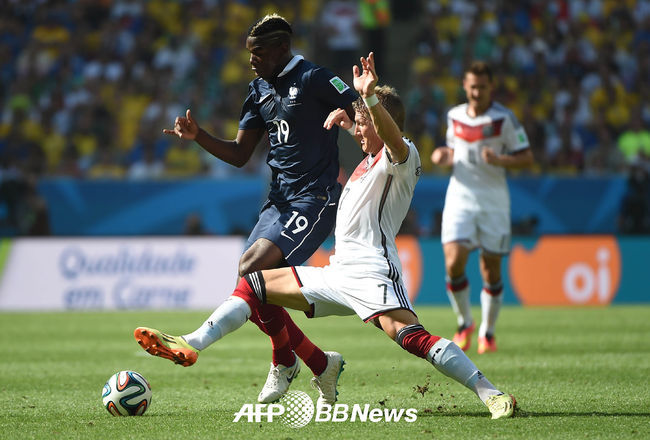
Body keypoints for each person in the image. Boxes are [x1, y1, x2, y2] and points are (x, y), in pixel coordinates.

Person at [135, 52, 516, 419]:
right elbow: (372, 136)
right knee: (254, 283)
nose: (358, 130)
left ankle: (492, 394)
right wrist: (352, 122)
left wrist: (368, 99)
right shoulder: (369, 160)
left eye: (362, 123)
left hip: (372, 272)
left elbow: (389, 138)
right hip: (337, 273)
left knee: (411, 337)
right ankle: (194, 342)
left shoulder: (403, 157)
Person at [156, 14, 359, 405]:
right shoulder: (259, 89)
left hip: (314, 198)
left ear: (283, 48)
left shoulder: (315, 78)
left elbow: (362, 108)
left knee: (251, 269)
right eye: (250, 53)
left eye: (259, 53)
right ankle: (319, 363)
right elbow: (239, 154)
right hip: (277, 202)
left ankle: (204, 342)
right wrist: (199, 137)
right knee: (254, 283)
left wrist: (357, 124)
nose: (252, 60)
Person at [430, 61, 534, 354]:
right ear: (465, 86)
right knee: (453, 261)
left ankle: (487, 332)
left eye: (482, 87)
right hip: (460, 197)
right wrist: (443, 156)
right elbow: (454, 150)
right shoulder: (454, 116)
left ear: (491, 87)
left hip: (494, 201)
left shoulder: (504, 118)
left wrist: (501, 160)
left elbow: (527, 157)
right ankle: (465, 323)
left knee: (491, 270)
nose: (477, 92)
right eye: (472, 87)